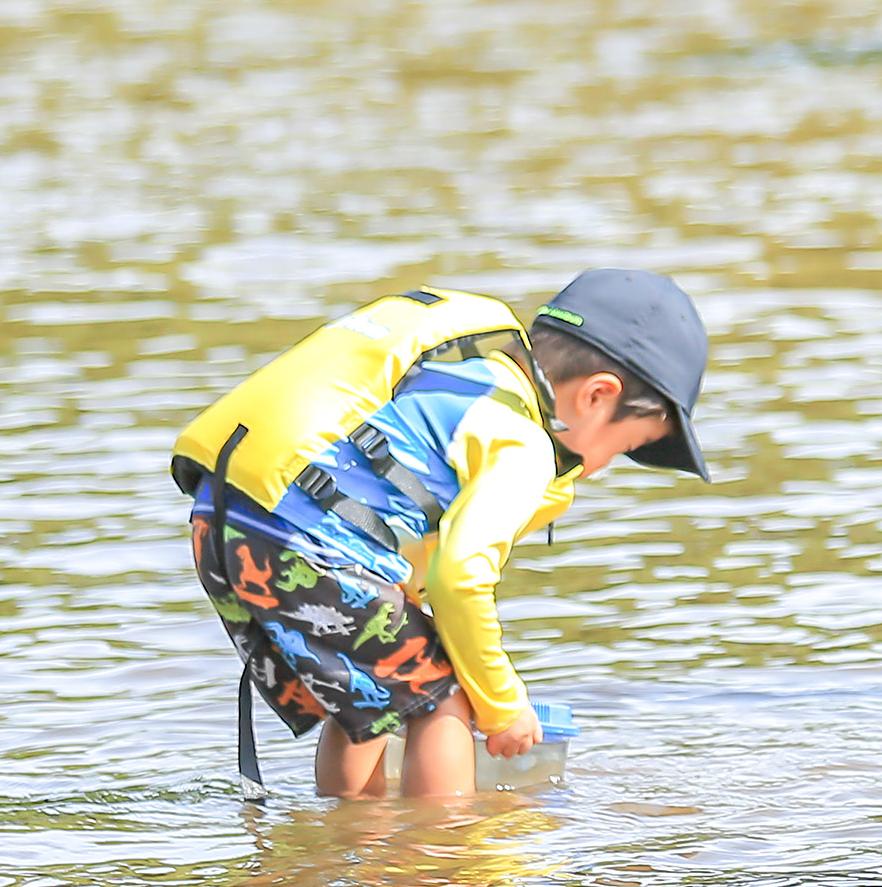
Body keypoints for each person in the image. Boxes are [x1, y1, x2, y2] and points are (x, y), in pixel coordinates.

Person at [174, 271, 715, 799]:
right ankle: (445, 849)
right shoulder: (521, 442)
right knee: (441, 699)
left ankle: (348, 832)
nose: (606, 465)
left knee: (382, 688)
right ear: (597, 396)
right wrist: (502, 705)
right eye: (626, 446)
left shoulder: (452, 383)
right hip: (309, 545)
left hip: (224, 519)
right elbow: (461, 580)